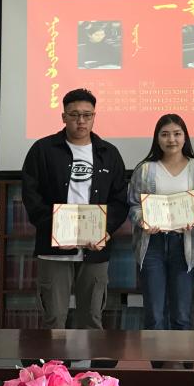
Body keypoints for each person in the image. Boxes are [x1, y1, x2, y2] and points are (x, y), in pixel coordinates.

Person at [20, 88, 128, 330]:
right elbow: (31, 195)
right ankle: (54, 359)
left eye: (87, 115)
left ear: (94, 117)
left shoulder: (109, 154)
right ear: (63, 117)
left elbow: (120, 200)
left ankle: (87, 359)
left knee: (91, 319)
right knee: (54, 319)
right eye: (74, 115)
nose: (81, 121)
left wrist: (105, 230)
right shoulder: (43, 150)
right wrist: (56, 229)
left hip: (94, 249)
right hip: (54, 249)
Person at [128, 114, 194, 330]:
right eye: (165, 134)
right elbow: (134, 205)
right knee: (154, 315)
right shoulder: (145, 169)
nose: (171, 140)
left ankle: (182, 353)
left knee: (182, 315)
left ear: (185, 137)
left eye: (177, 134)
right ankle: (156, 353)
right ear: (157, 138)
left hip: (184, 245)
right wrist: (143, 220)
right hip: (152, 245)